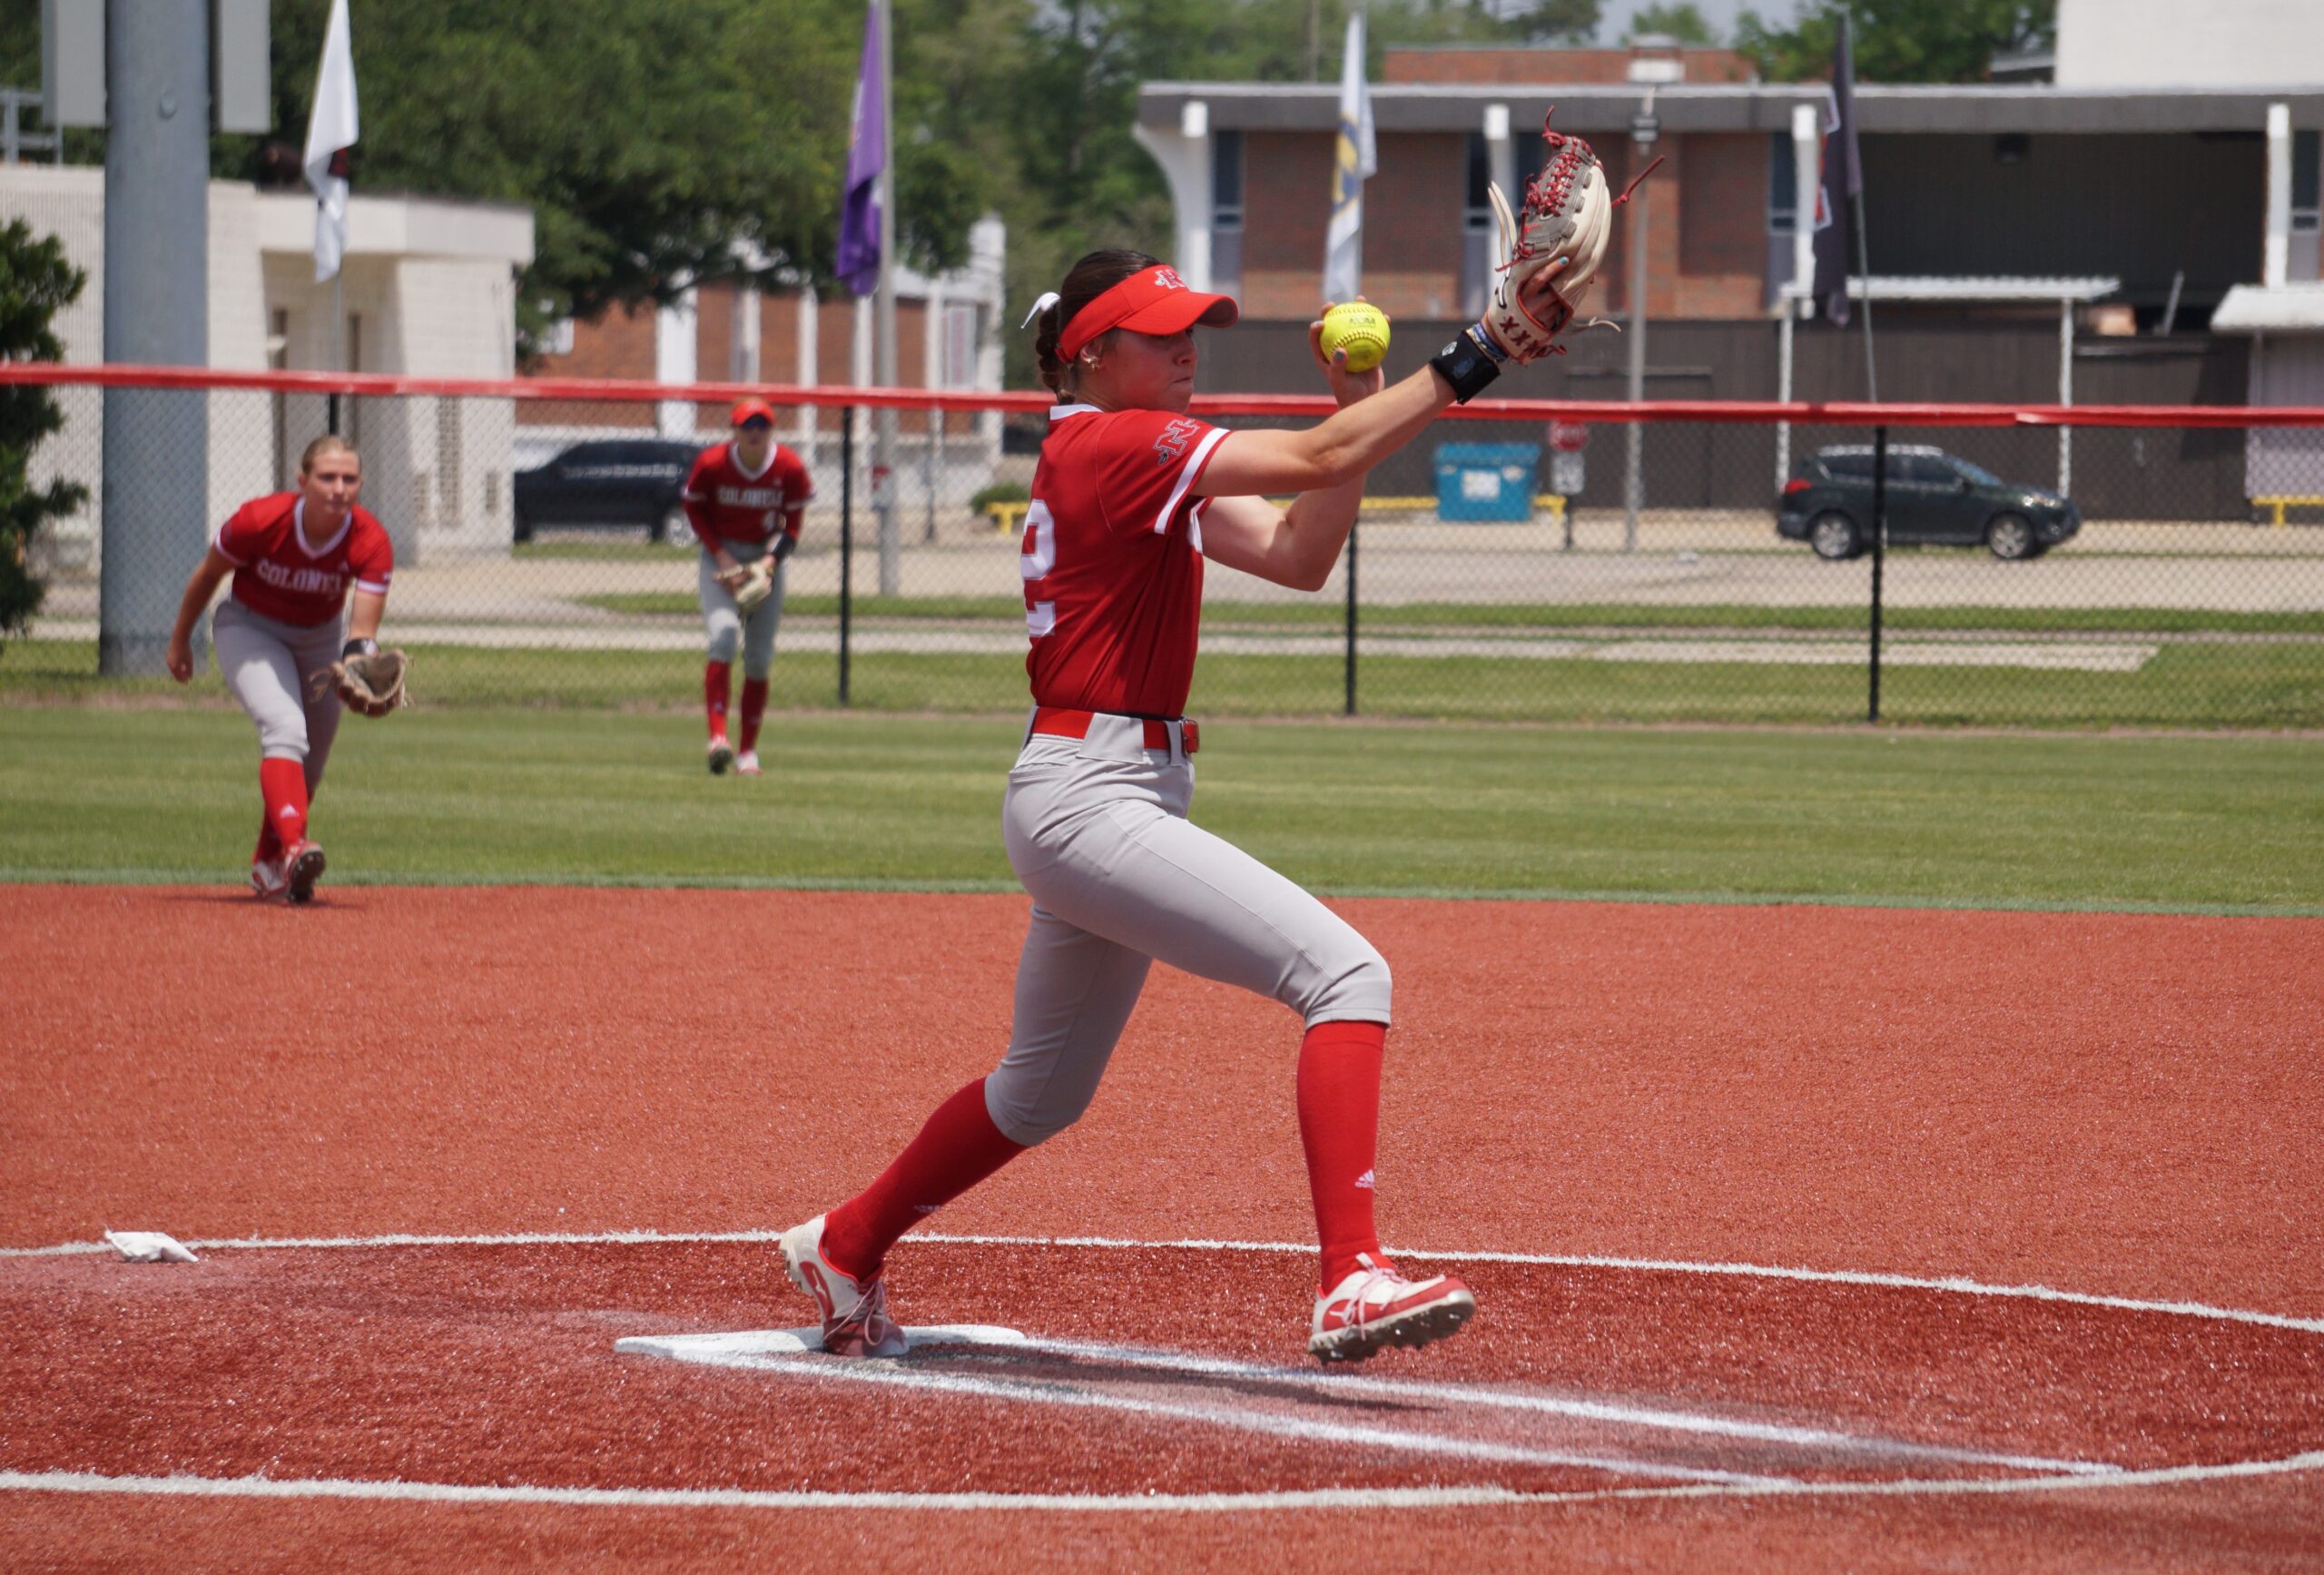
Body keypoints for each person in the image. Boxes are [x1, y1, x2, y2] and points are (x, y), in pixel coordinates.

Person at [778, 248, 1572, 1363]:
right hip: (1091, 793)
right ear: (1091, 355)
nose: (1188, 344)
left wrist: (1355, 403)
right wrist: (1478, 351)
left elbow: (1300, 554)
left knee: (1039, 1091)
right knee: (1348, 975)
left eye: (1192, 326)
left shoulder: (1122, 457)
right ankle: (1349, 1276)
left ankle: (846, 1243)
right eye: (1158, 333)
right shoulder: (1114, 441)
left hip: (1096, 789)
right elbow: (1310, 457)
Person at [164, 435, 393, 904]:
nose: (338, 487)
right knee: (284, 726)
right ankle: (294, 849)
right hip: (249, 628)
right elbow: (208, 576)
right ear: (302, 480)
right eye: (327, 477)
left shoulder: (370, 539)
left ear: (361, 484)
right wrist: (180, 639)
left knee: (309, 765)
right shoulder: (260, 519)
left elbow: (362, 630)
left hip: (319, 638)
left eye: (349, 478)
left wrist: (357, 668)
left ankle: (271, 863)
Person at [683, 399, 812, 776]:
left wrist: (766, 566)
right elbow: (694, 509)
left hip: (763, 562)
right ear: (735, 431)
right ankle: (718, 739)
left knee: (757, 658)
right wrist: (722, 558)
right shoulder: (713, 464)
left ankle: (747, 753)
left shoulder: (789, 466)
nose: (755, 433)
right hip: (720, 558)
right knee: (722, 636)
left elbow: (792, 527)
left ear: (770, 430)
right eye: (747, 426)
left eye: (762, 426)